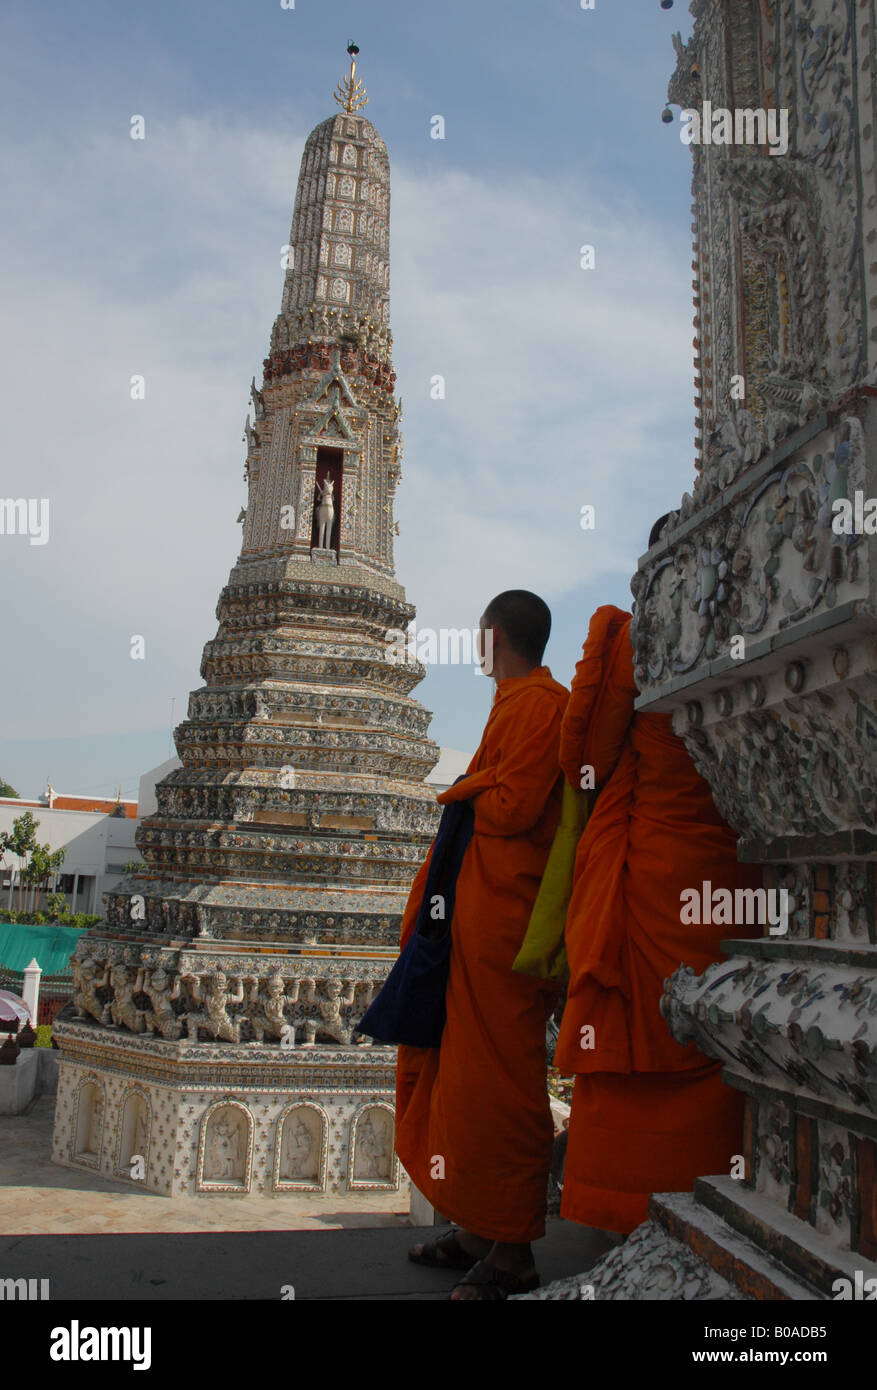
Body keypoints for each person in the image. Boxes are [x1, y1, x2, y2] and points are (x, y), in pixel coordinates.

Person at [554, 604, 763, 1234]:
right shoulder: (753, 608)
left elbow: (583, 756)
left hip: (649, 865)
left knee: (634, 1031)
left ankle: (628, 1218)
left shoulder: (640, 632)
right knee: (721, 1034)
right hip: (733, 865)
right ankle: (713, 1215)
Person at [396, 590, 569, 1299]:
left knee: (502, 1085)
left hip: (507, 930)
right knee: (459, 1079)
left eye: (478, 635)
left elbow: (513, 806)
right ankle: (475, 1225)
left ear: (492, 638)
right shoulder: (515, 702)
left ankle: (514, 1252)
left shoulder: (539, 705)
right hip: (474, 921)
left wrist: (464, 788)